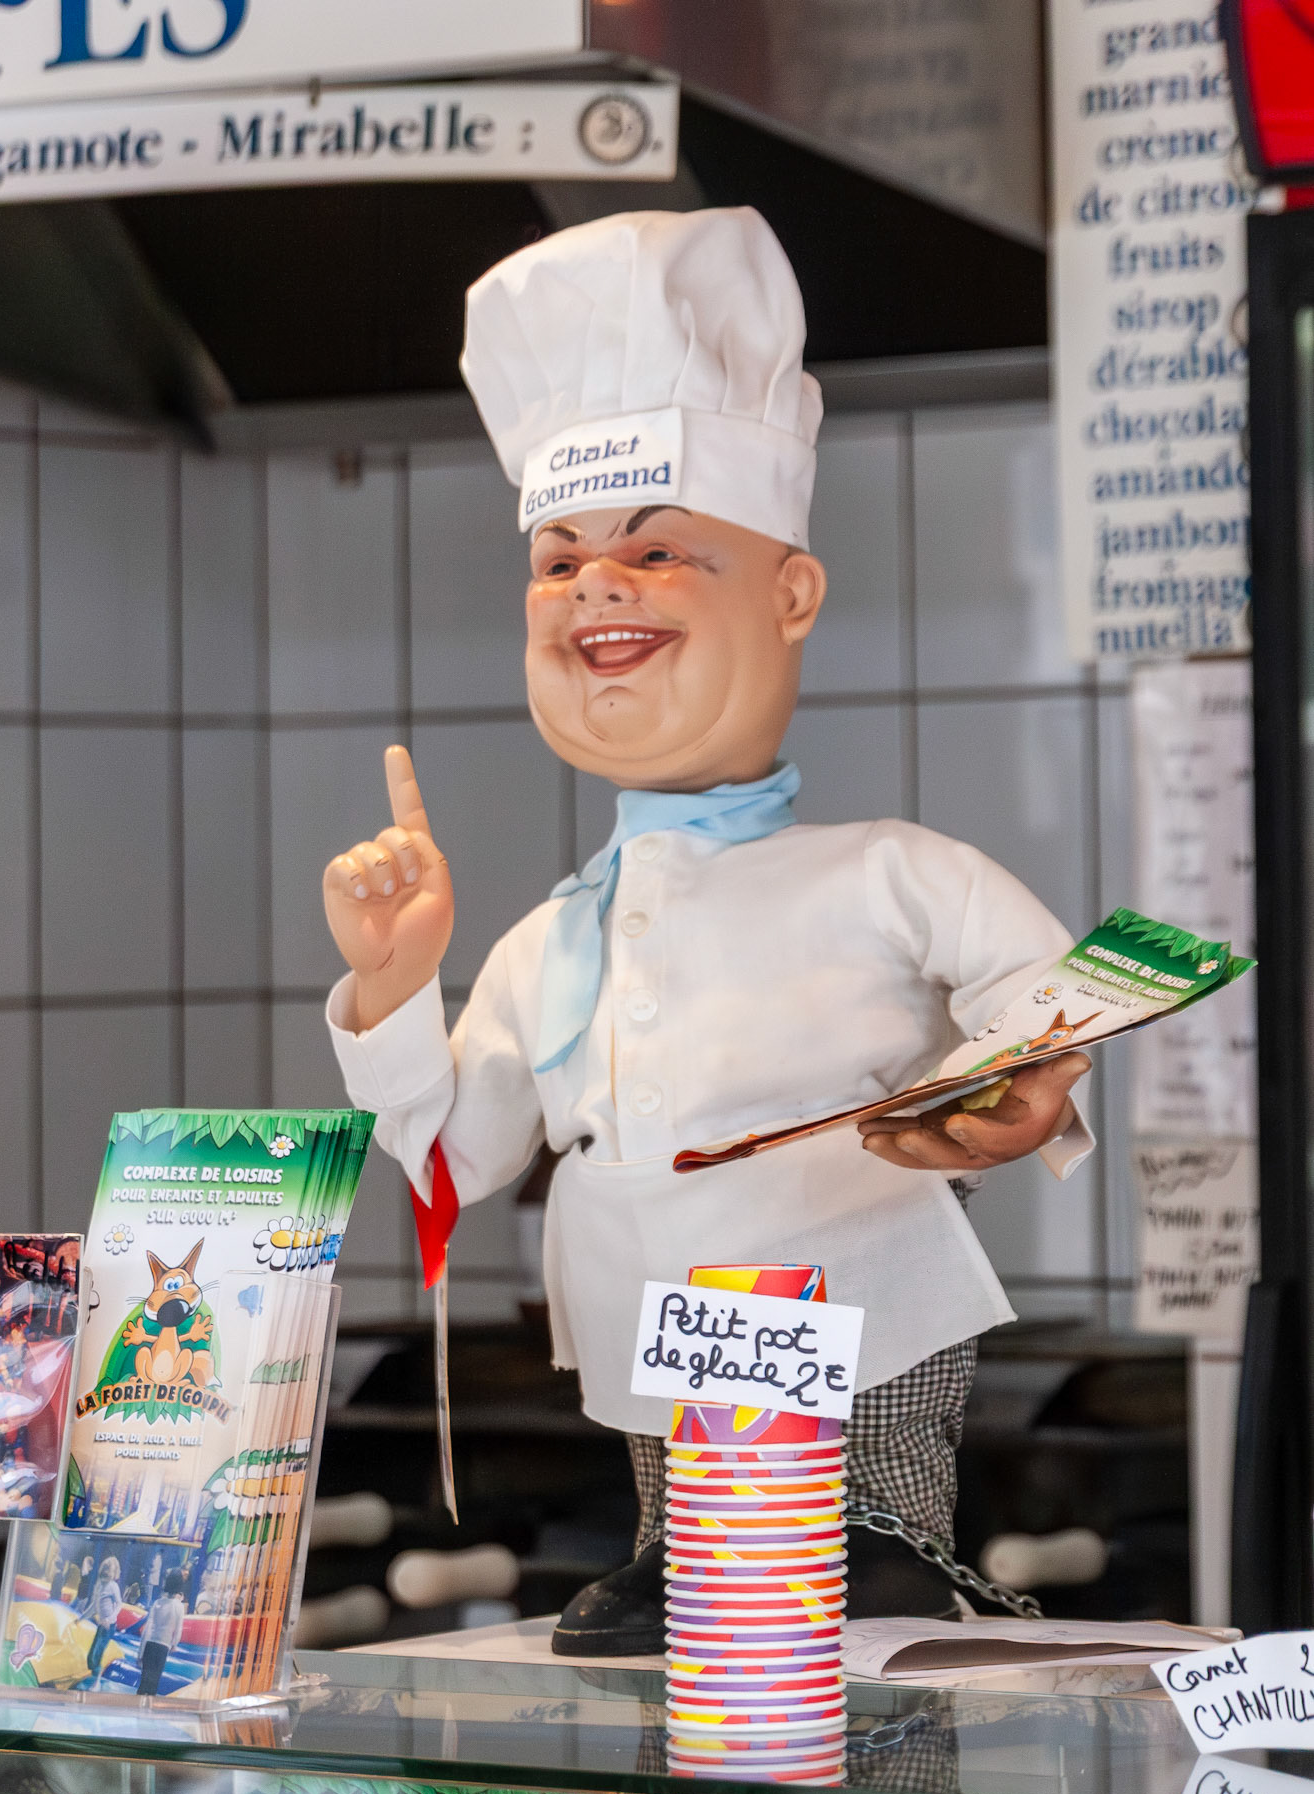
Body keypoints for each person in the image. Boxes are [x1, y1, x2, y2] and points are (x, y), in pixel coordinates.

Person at [324, 207, 1093, 1656]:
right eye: (557, 564)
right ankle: (671, 1549)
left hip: (857, 1288)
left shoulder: (888, 871)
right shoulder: (549, 942)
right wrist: (395, 985)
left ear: (791, 592)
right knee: (685, 1510)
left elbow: (1049, 997)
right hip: (646, 1328)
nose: (596, 586)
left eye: (657, 550)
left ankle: (879, 1535)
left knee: (856, 1560)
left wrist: (1010, 1092)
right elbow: (453, 1158)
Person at [136, 1569, 186, 1696]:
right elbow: (178, 1628)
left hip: (150, 1644)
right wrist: (174, 1644)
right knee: (154, 1682)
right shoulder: (179, 1607)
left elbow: (148, 1629)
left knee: (144, 1681)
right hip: (163, 1646)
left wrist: (140, 1653)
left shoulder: (158, 1603)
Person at [83, 1554, 122, 1682]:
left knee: (98, 1652)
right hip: (101, 1624)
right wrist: (82, 1617)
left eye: (108, 1571)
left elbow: (119, 1604)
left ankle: (96, 1679)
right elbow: (94, 1605)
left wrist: (109, 1619)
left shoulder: (112, 1586)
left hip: (109, 1626)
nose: (105, 1573)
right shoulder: (100, 1585)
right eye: (104, 1570)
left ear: (113, 1574)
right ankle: (94, 1674)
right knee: (91, 1656)